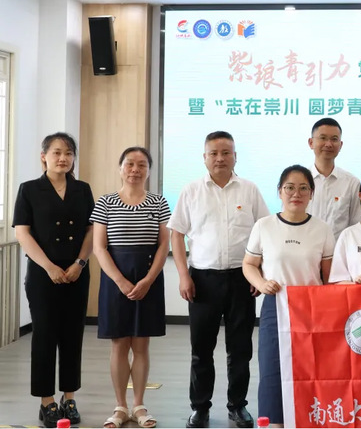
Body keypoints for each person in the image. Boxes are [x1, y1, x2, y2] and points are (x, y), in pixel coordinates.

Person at [168, 131, 270, 429]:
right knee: (201, 350)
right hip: (202, 280)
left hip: (242, 278)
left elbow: (263, 232)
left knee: (240, 349)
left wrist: (259, 273)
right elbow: (177, 234)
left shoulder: (249, 190)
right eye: (214, 153)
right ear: (204, 158)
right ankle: (200, 407)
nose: (220, 158)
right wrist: (183, 275)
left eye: (226, 153)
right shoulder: (191, 190)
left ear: (235, 156)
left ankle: (238, 406)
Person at [242, 165, 335, 428]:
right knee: (272, 366)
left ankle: (307, 418)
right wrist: (262, 283)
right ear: (280, 192)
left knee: (310, 367)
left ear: (311, 193)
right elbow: (248, 264)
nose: (297, 193)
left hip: (312, 309)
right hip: (277, 306)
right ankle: (274, 422)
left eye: (304, 188)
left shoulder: (322, 229)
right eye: (290, 187)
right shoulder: (264, 226)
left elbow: (329, 276)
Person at [12, 133, 94, 428]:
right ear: (43, 156)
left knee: (73, 336)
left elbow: (91, 230)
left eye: (69, 153)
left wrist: (80, 263)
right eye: (57, 152)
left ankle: (69, 398)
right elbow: (22, 232)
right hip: (42, 274)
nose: (63, 158)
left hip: (76, 273)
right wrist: (48, 267)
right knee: (44, 336)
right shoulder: (29, 189)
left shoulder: (82, 189)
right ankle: (46, 401)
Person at [91, 147, 170, 429]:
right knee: (119, 344)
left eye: (141, 165)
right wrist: (120, 281)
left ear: (149, 170)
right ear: (120, 168)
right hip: (116, 280)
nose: (135, 170)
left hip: (148, 278)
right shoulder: (106, 202)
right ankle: (120, 407)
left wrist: (148, 280)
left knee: (141, 344)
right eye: (129, 164)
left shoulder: (158, 202)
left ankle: (138, 405)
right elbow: (100, 248)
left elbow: (164, 244)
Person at [307, 117, 361, 240]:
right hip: (304, 250)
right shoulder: (299, 181)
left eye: (334, 139)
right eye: (323, 138)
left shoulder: (352, 183)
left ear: (340, 145)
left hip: (339, 251)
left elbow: (356, 226)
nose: (328, 144)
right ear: (311, 142)